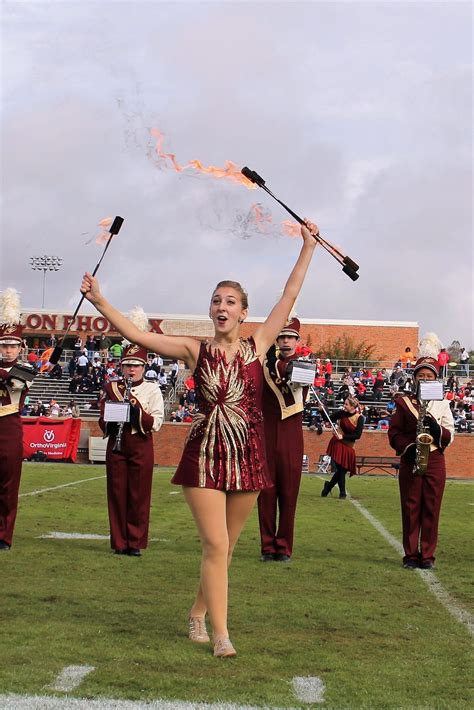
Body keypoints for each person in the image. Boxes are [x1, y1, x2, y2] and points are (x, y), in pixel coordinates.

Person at [80, 218, 319, 658]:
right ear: (211, 311)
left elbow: (290, 294)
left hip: (248, 452)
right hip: (206, 452)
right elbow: (137, 335)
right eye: (216, 300)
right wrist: (100, 300)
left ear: (243, 312)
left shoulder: (259, 344)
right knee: (215, 544)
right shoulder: (195, 349)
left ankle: (196, 613)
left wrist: (307, 247)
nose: (222, 306)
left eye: (230, 301)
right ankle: (222, 634)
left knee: (225, 550)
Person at [388, 334, 454, 570]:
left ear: (436, 378)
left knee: (432, 507)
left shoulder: (443, 403)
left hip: (436, 458)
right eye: (421, 376)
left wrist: (437, 431)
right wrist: (410, 446)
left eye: (429, 376)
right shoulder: (404, 402)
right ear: (415, 378)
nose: (425, 379)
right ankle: (410, 555)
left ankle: (428, 555)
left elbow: (451, 433)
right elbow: (393, 434)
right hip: (411, 458)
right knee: (410, 506)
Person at [99, 342, 164, 557]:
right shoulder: (112, 387)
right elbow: (103, 421)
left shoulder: (152, 388)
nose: (131, 369)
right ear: (121, 367)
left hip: (140, 443)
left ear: (144, 367)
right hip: (117, 444)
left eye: (136, 365)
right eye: (127, 365)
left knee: (139, 495)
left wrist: (134, 410)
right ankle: (119, 541)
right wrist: (111, 414)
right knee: (117, 493)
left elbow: (156, 422)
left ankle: (135, 542)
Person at [258, 317, 308, 563]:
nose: (286, 341)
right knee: (266, 493)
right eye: (282, 337)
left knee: (289, 493)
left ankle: (284, 546)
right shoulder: (264, 366)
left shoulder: (304, 365)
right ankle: (268, 546)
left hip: (291, 433)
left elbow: (295, 379)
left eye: (290, 337)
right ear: (276, 339)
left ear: (298, 341)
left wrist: (272, 362)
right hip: (266, 431)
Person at [0, 288, 35, 550]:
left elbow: (10, 388)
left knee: (8, 486)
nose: (8, 349)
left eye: (13, 345)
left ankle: (4, 535)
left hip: (9, 429)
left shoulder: (25, 370)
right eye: (4, 345)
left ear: (20, 347)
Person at [321, 396, 365, 499]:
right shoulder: (341, 413)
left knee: (343, 470)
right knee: (341, 469)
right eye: (344, 404)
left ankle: (328, 486)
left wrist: (343, 436)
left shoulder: (360, 418)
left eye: (346, 404)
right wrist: (321, 410)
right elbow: (327, 419)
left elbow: (357, 435)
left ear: (353, 406)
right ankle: (342, 493)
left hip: (349, 445)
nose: (344, 406)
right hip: (337, 443)